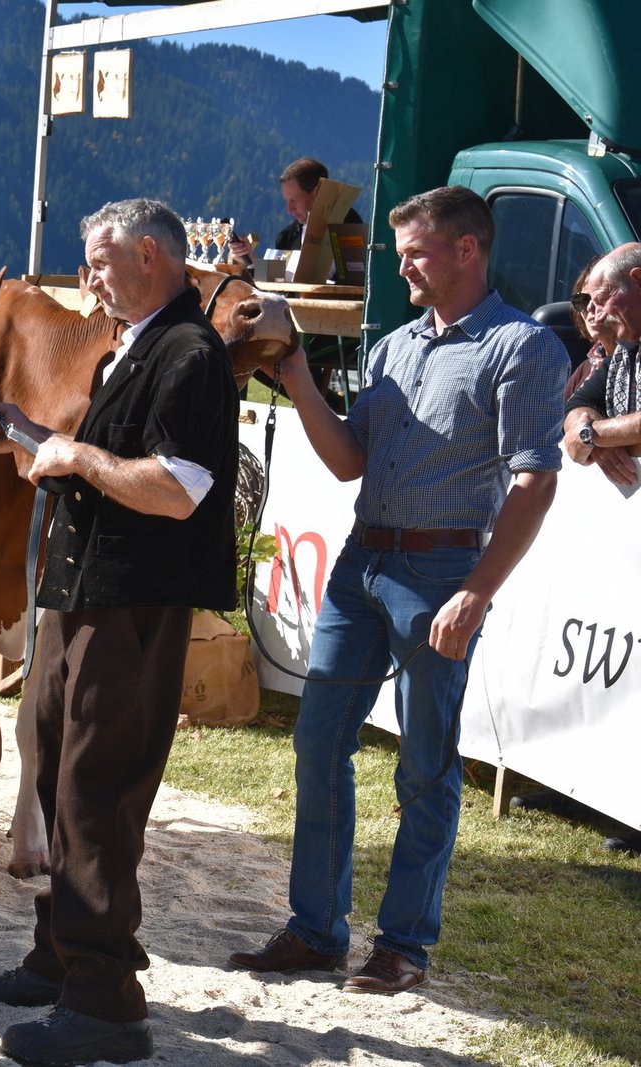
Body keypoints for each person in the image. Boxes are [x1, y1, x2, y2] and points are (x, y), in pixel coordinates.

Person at [228, 186, 565, 995]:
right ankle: (316, 930)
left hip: (443, 574)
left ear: (466, 250)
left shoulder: (523, 347)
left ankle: (404, 945)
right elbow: (349, 460)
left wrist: (476, 593)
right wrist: (296, 372)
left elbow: (535, 482)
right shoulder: (392, 348)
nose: (401, 266)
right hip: (361, 565)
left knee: (424, 766)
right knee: (318, 743)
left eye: (415, 252)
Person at [0, 198, 240, 1066]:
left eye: (98, 260)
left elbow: (179, 487)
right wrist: (24, 436)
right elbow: (111, 463)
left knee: (98, 788)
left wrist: (75, 455)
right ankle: (61, 955)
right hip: (86, 594)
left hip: (133, 603)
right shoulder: (137, 342)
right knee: (53, 762)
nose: (87, 278)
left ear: (150, 255)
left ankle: (105, 1002)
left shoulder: (189, 352)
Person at [563, 243, 641, 490]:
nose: (596, 314)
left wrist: (594, 436)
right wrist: (595, 443)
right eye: (584, 302)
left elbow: (585, 434)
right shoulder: (625, 352)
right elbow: (577, 404)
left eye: (602, 299)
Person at [228, 157, 364, 268]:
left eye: (294, 200)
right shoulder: (287, 237)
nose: (289, 209)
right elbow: (279, 285)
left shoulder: (348, 225)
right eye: (287, 201)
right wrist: (251, 261)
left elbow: (356, 279)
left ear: (317, 192)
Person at [565, 257, 618, 401]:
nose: (590, 308)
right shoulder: (584, 370)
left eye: (602, 299)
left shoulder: (635, 366)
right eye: (582, 301)